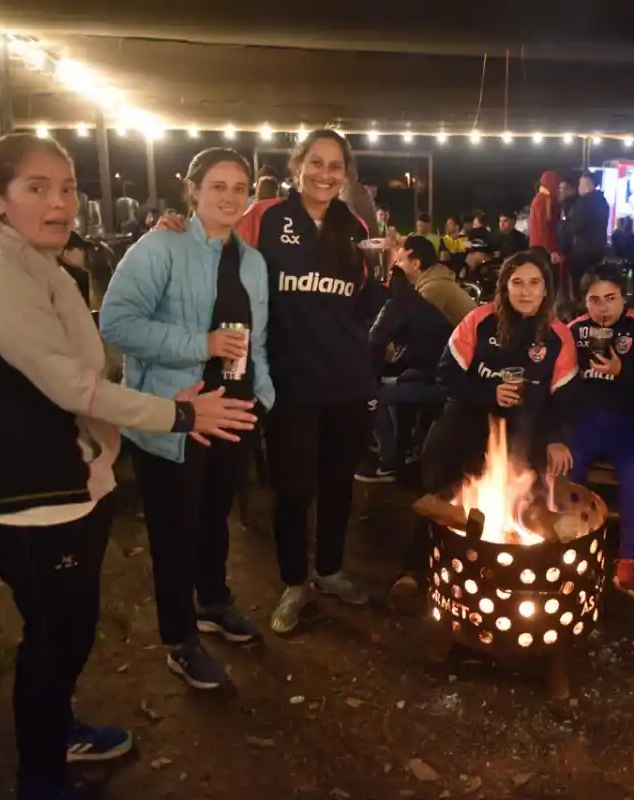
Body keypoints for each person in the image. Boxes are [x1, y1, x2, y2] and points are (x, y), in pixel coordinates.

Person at [0, 134, 256, 800]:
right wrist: (176, 414)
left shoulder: (41, 266)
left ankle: (58, 732)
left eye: (66, 187)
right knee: (54, 641)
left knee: (65, 633)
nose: (59, 203)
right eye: (37, 188)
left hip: (72, 486)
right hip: (33, 497)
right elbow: (72, 385)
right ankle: (43, 778)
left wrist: (156, 398)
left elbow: (88, 372)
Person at [158, 130, 383, 632]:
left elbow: (359, 302)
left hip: (347, 379)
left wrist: (393, 279)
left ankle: (328, 570)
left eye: (336, 166)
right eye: (316, 162)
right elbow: (212, 240)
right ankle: (294, 582)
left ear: (346, 174)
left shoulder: (355, 225)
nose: (326, 174)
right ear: (297, 165)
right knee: (294, 488)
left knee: (339, 485)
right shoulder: (265, 216)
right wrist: (176, 228)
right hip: (289, 381)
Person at [100, 148, 275, 689]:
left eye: (239, 187)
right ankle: (179, 639)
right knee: (175, 531)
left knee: (214, 520)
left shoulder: (252, 261)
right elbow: (116, 323)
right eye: (217, 186)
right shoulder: (161, 246)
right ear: (193, 192)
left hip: (234, 411)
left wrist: (263, 396)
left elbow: (258, 339)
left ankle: (213, 602)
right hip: (175, 416)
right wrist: (198, 344)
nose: (229, 196)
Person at [388, 253, 578, 603]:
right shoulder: (479, 320)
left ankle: (519, 578)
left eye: (534, 283)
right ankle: (415, 570)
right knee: (438, 470)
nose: (525, 291)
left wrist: (557, 439)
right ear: (504, 287)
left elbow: (564, 400)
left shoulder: (559, 336)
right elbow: (446, 375)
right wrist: (488, 393)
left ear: (546, 289)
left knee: (529, 491)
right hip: (471, 414)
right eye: (517, 282)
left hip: (526, 427)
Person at [567, 266, 634, 598]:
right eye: (594, 300)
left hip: (630, 421)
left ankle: (628, 561)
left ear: (624, 298)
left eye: (610, 299)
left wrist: (623, 371)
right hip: (586, 422)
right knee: (569, 468)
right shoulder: (575, 330)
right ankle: (572, 550)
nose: (602, 308)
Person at [355, 238, 456, 483]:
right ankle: (401, 452)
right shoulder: (412, 299)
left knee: (371, 394)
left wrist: (367, 375)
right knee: (393, 385)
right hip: (433, 374)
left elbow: (373, 344)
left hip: (443, 385)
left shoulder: (397, 303)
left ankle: (389, 463)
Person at [394, 233, 476, 326]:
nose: (396, 265)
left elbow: (417, 330)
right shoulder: (433, 280)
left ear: (415, 264)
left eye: (400, 260)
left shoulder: (431, 289)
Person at [565, 172, 611, 292]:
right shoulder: (603, 201)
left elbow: (577, 226)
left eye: (581, 184)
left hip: (583, 250)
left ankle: (581, 306)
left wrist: (567, 224)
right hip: (599, 249)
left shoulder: (584, 202)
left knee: (580, 283)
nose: (579, 187)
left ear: (587, 184)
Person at [529, 171, 564, 278]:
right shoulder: (544, 200)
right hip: (543, 248)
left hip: (541, 247)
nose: (559, 188)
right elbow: (543, 227)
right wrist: (551, 250)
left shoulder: (543, 199)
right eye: (557, 185)